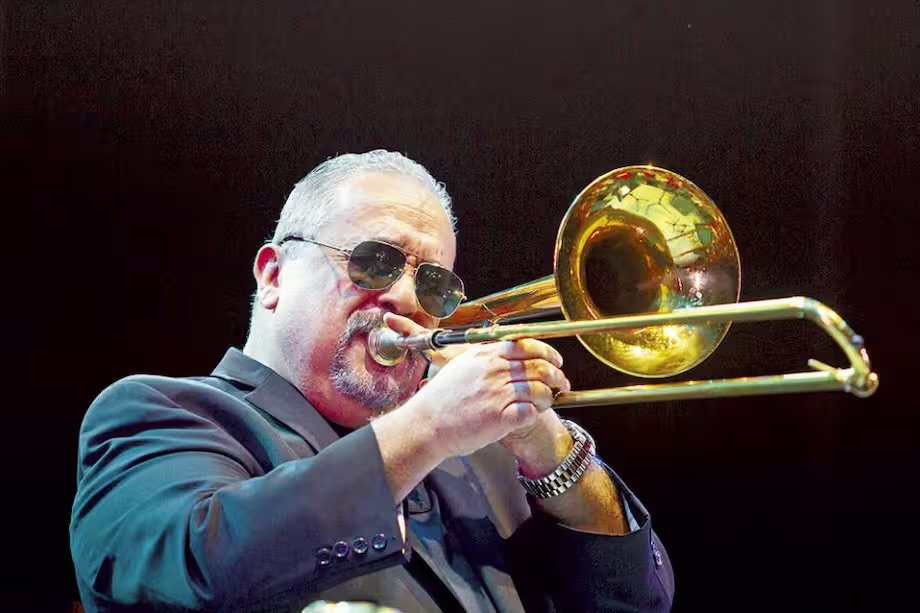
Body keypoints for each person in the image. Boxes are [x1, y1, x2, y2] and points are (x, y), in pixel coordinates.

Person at [70, 150, 674, 612]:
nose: (407, 299)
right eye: (375, 261)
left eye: (435, 284)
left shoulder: (482, 462)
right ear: (274, 275)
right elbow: (188, 575)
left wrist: (551, 450)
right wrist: (430, 427)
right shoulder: (159, 414)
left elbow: (638, 602)